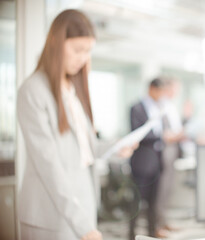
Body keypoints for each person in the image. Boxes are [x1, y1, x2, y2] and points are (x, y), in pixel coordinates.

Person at [17, 9, 136, 240]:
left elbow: (83, 150)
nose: (82, 58)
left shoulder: (73, 90)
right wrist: (83, 227)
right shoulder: (33, 91)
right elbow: (49, 166)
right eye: (77, 50)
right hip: (50, 211)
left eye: (87, 51)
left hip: (83, 202)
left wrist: (115, 147)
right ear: (55, 43)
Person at [129, 77, 166, 240]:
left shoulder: (159, 108)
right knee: (136, 202)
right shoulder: (136, 108)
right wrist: (161, 136)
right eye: (160, 91)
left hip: (157, 161)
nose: (162, 95)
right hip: (142, 163)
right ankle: (131, 235)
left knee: (153, 202)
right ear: (152, 89)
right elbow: (139, 133)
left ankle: (151, 235)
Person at [156, 77, 185, 235]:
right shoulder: (161, 105)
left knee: (168, 188)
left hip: (173, 149)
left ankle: (163, 221)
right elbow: (164, 133)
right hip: (165, 150)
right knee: (162, 188)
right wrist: (177, 135)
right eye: (175, 88)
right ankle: (158, 224)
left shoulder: (171, 105)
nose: (177, 92)